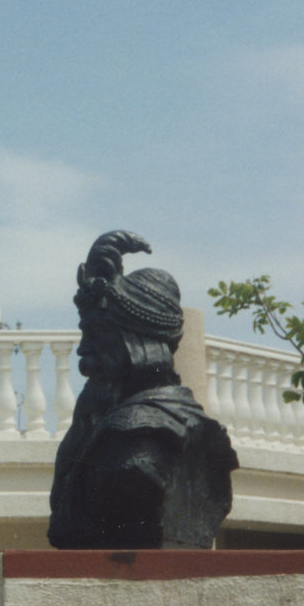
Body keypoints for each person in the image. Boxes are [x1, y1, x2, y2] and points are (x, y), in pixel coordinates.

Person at [48, 230, 238, 549]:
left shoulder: (136, 443)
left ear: (137, 342)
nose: (83, 350)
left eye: (96, 333)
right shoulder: (107, 430)